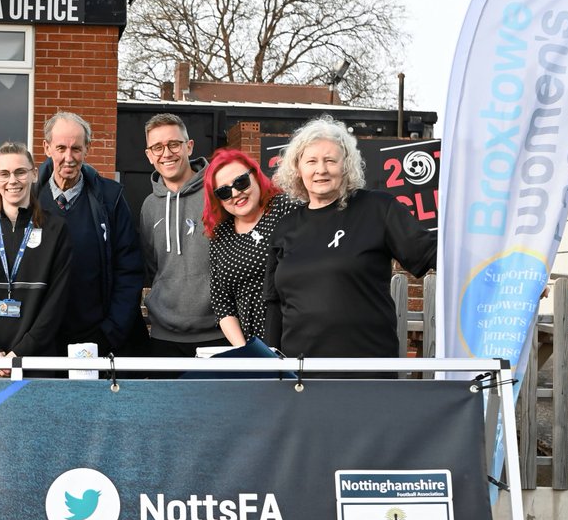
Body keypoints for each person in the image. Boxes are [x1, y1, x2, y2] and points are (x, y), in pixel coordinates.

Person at [264, 115, 437, 361]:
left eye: (330, 160)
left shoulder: (378, 209)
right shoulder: (285, 228)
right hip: (300, 374)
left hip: (364, 370)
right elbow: (274, 303)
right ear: (297, 169)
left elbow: (431, 253)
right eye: (311, 161)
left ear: (346, 166)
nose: (320, 169)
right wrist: (273, 365)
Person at [0, 142, 72, 376]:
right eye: (4, 174)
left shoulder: (56, 230)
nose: (12, 181)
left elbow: (55, 303)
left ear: (33, 174)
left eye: (20, 172)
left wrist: (19, 355)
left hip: (37, 362)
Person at [37, 111, 144, 357]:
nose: (68, 157)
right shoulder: (28, 200)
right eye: (61, 147)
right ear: (47, 147)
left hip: (99, 340)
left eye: (76, 148)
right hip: (42, 343)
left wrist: (109, 333)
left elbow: (129, 270)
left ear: (87, 148)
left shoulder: (111, 199)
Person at [138, 113, 221, 360]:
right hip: (165, 336)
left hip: (219, 332)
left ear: (189, 146)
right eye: (158, 147)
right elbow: (153, 268)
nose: (167, 153)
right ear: (149, 155)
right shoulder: (149, 206)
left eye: (174, 144)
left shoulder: (217, 192)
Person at [205, 149, 303, 347]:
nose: (235, 193)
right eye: (224, 192)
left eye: (241, 182)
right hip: (253, 345)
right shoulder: (221, 235)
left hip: (295, 335)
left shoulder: (285, 209)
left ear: (256, 175)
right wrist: (245, 352)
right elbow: (222, 303)